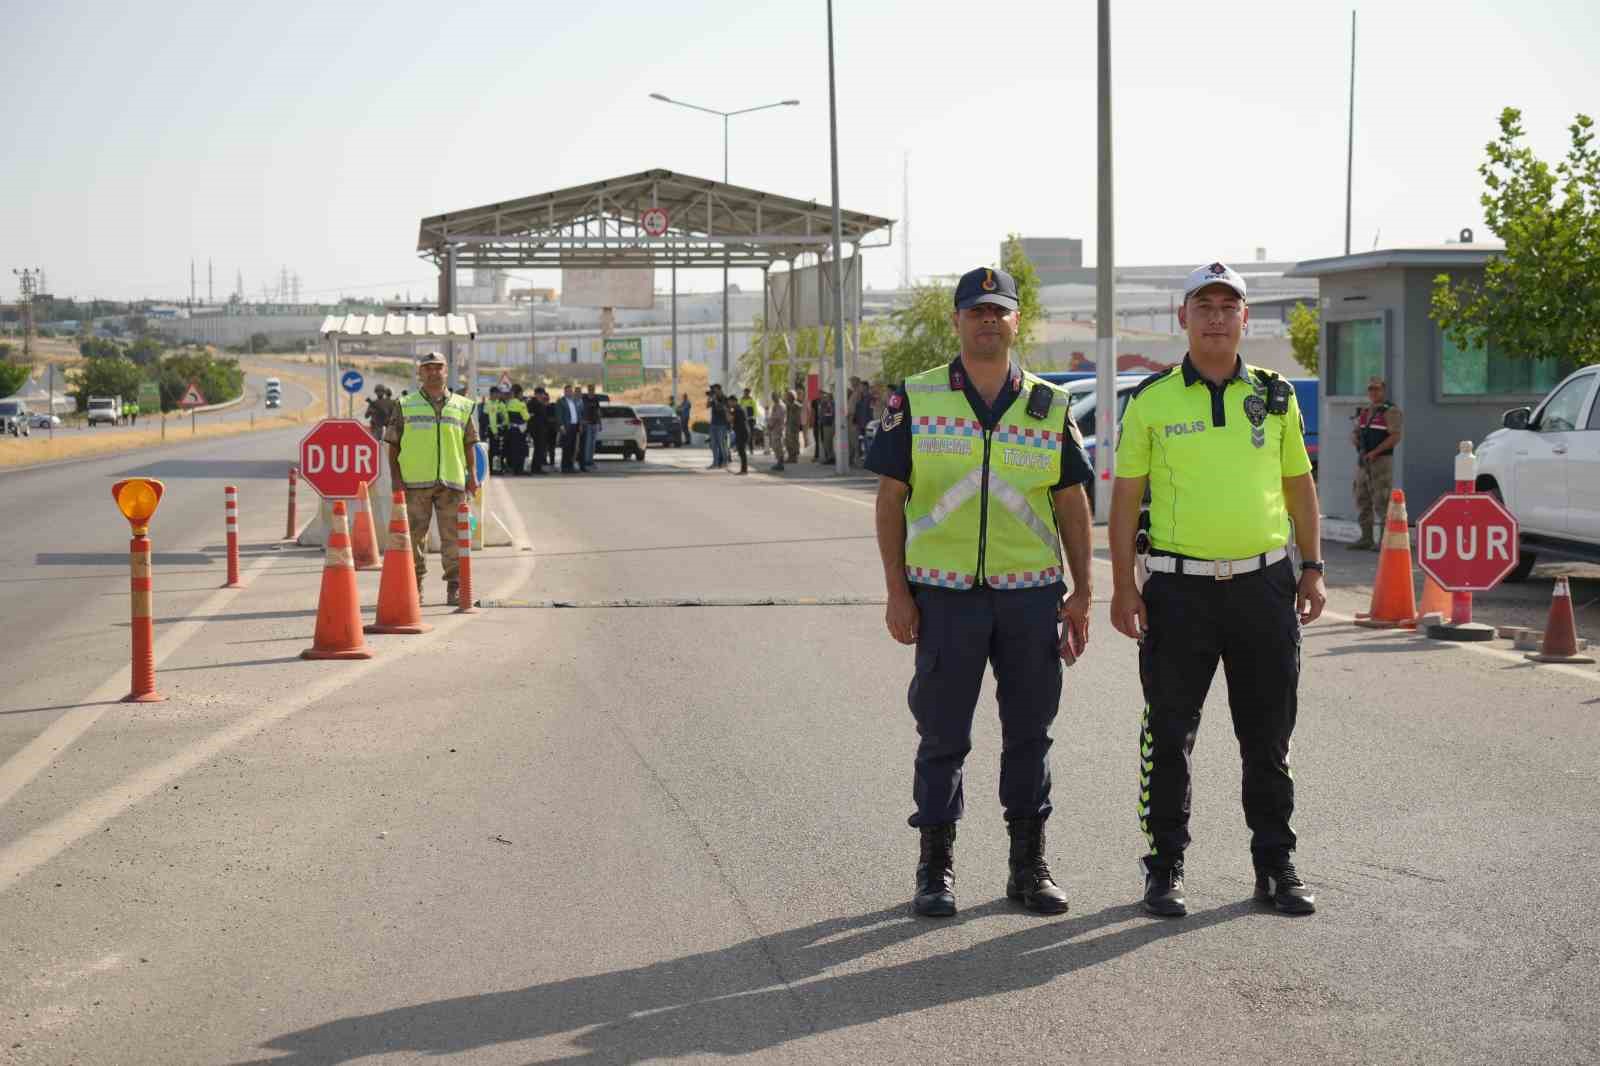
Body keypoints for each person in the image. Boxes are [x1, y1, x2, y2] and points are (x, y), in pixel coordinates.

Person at [867, 266, 1094, 919]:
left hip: (1030, 598)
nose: (988, 321)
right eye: (976, 311)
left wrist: (1083, 592)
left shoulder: (1049, 404)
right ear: (958, 321)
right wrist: (895, 592)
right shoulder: (916, 397)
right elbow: (890, 500)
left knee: (1030, 734)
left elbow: (1071, 503)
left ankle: (1029, 867)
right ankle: (934, 868)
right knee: (942, 736)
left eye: (999, 311)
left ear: (1017, 320)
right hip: (943, 597)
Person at [1107, 261, 1326, 919]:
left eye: (1228, 306)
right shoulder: (1150, 400)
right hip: (1179, 592)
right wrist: (1123, 586)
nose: (1216, 317)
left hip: (1263, 587)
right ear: (1183, 318)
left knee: (1268, 737)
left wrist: (1311, 566)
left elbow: (1299, 486)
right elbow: (1125, 503)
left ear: (1245, 319)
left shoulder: (1276, 394)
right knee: (1169, 734)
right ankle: (1165, 867)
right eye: (1204, 306)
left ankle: (1274, 864)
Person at [385, 351, 479, 606]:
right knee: (414, 539)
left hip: (452, 483)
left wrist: (472, 475)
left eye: (438, 368)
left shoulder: (462, 405)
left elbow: (470, 443)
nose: (433, 372)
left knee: (455, 538)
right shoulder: (404, 405)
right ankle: (414, 587)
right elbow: (393, 445)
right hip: (415, 484)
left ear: (446, 371)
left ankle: (455, 587)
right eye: (428, 368)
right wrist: (396, 480)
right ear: (420, 373)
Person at [1349, 376, 1402, 551]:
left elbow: (1395, 436)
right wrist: (1355, 439)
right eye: (1370, 389)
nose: (1373, 392)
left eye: (1377, 389)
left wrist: (1376, 452)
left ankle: (1385, 540)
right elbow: (1355, 432)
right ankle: (1366, 537)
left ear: (1383, 390)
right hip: (1364, 461)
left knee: (1382, 499)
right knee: (1361, 497)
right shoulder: (1365, 412)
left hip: (1381, 461)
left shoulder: (1390, 411)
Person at [503, 384, 529, 475]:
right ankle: (520, 469)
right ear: (520, 393)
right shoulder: (521, 404)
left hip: (512, 429)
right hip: (520, 430)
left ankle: (514, 469)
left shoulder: (509, 403)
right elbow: (526, 417)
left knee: (514, 449)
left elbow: (506, 417)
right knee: (521, 450)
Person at [557, 384, 583, 473]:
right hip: (566, 427)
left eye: (571, 391)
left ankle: (570, 466)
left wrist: (580, 424)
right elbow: (559, 415)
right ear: (565, 392)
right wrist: (561, 426)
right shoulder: (561, 401)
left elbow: (578, 414)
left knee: (573, 448)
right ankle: (565, 467)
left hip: (575, 426)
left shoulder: (574, 401)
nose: (570, 393)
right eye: (568, 391)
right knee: (566, 448)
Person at [527, 388, 551, 475]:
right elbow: (530, 417)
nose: (542, 396)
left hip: (542, 429)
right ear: (537, 394)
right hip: (536, 430)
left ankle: (538, 467)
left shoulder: (541, 403)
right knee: (538, 449)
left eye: (543, 394)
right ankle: (535, 468)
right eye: (541, 394)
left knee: (540, 449)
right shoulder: (532, 403)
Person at [581, 383, 601, 471]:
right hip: (587, 423)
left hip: (595, 423)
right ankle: (586, 460)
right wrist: (582, 421)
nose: (592, 391)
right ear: (588, 389)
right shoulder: (584, 398)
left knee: (593, 443)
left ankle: (591, 460)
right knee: (588, 442)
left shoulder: (596, 399)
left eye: (593, 389)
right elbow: (581, 410)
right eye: (590, 389)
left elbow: (598, 411)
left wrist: (600, 423)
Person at [707, 385, 729, 469]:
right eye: (712, 390)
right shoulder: (713, 398)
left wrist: (715, 399)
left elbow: (721, 408)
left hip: (722, 425)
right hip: (713, 424)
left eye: (714, 389)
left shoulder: (724, 398)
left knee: (721, 443)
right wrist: (709, 398)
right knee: (713, 444)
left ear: (719, 389)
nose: (713, 391)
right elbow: (707, 406)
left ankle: (724, 462)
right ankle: (715, 463)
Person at [729, 397, 751, 474]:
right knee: (741, 451)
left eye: (730, 402)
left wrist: (727, 412)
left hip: (742, 432)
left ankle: (744, 470)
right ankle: (744, 469)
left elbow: (730, 420)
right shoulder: (739, 408)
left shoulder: (736, 410)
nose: (729, 404)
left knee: (742, 451)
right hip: (743, 431)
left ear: (734, 401)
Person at [767, 391, 788, 472]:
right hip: (774, 429)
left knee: (778, 446)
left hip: (778, 428)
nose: (773, 398)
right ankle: (779, 462)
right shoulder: (775, 405)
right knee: (775, 446)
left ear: (778, 396)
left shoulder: (781, 405)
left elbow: (777, 417)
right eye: (772, 397)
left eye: (774, 396)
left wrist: (771, 425)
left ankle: (780, 462)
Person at [783, 390, 802, 465]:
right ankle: (790, 457)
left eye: (789, 396)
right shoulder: (788, 405)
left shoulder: (796, 404)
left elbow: (796, 407)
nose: (787, 397)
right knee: (787, 442)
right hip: (788, 425)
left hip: (794, 426)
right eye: (787, 396)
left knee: (794, 442)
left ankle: (794, 457)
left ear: (793, 397)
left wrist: (787, 403)